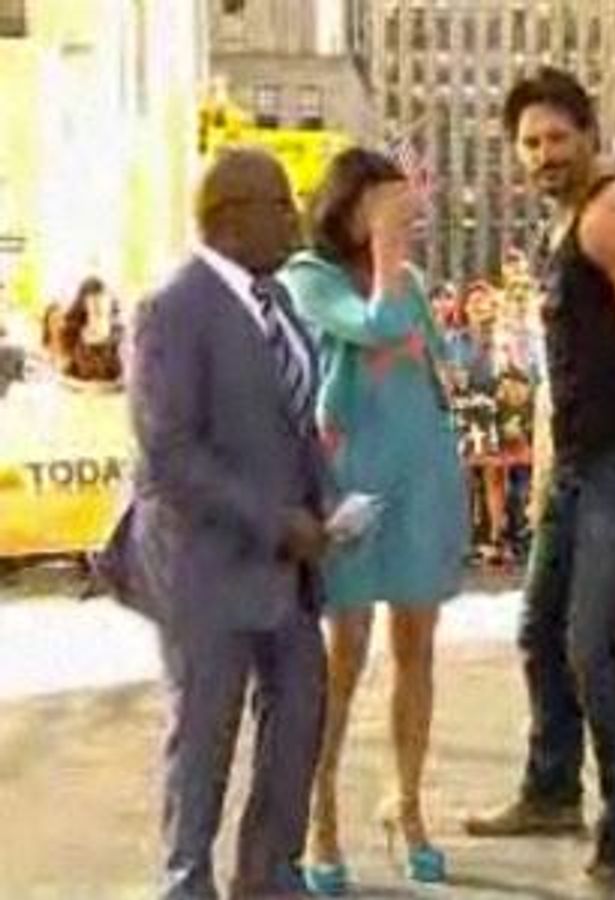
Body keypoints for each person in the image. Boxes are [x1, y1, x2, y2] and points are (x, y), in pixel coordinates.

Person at [463, 67, 615, 898]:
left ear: (590, 135)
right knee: (541, 633)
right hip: (575, 465)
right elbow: (564, 361)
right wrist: (547, 469)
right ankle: (551, 791)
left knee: (595, 647)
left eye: (557, 138)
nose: (544, 155)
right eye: (530, 143)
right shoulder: (565, 223)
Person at [98, 148, 328, 900]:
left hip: (287, 568)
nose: (295, 219)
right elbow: (168, 452)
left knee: (298, 716)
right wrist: (273, 520)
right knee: (204, 732)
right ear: (231, 220)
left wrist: (327, 507)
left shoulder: (278, 300)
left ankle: (270, 873)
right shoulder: (171, 309)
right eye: (281, 205)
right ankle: (186, 880)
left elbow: (294, 424)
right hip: (202, 566)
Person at [277, 147, 469, 891]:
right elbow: (380, 324)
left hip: (420, 472)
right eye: (385, 204)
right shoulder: (309, 277)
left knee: (417, 643)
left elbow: (439, 358)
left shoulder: (410, 278)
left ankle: (407, 804)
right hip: (349, 484)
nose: (401, 218)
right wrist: (390, 262)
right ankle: (320, 815)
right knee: (345, 651)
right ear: (348, 204)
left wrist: (408, 335)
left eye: (404, 207)